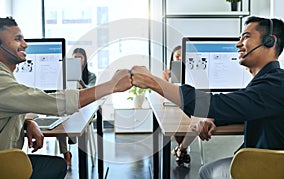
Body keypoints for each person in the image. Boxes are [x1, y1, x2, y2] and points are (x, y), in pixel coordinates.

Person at [131, 16, 284, 178]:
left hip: (269, 167)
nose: (238, 44)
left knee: (207, 171)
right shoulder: (269, 83)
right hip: (267, 161)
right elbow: (247, 107)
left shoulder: (275, 85)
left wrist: (153, 82)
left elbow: (215, 104)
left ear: (269, 41)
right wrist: (214, 118)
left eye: (245, 37)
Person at [0, 17, 132, 179]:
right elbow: (55, 104)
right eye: (17, 39)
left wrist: (27, 122)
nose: (25, 44)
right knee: (56, 166)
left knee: (56, 165)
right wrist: (111, 86)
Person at [57, 47, 97, 167]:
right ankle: (65, 152)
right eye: (75, 58)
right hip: (69, 109)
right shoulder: (65, 75)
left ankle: (72, 136)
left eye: (80, 58)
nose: (78, 61)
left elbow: (92, 92)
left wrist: (79, 81)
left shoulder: (91, 76)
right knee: (59, 122)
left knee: (72, 119)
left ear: (85, 59)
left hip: (85, 110)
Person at [162, 45, 190, 167]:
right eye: (177, 56)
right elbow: (164, 91)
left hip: (189, 103)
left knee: (183, 121)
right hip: (173, 104)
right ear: (172, 58)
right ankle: (182, 150)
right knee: (174, 122)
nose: (179, 58)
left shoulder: (192, 71)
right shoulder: (166, 73)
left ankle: (180, 150)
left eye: (182, 56)